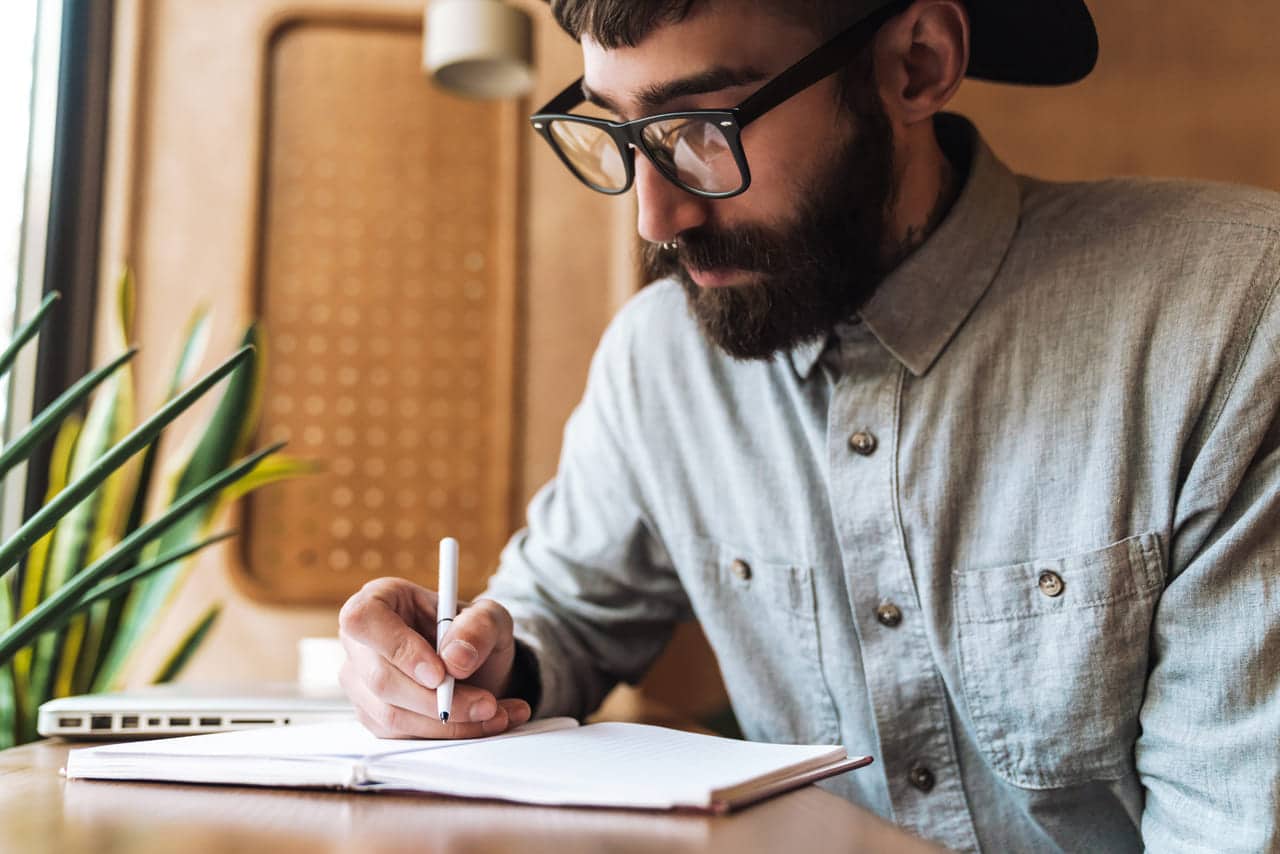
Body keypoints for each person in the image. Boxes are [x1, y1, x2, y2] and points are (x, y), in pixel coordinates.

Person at [338, 0, 1280, 850]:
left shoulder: (1235, 321)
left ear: (914, 64)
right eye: (618, 133)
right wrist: (475, 663)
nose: (655, 216)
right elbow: (568, 616)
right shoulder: (659, 360)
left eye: (701, 129)